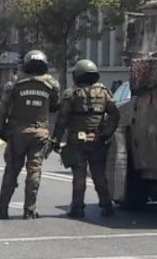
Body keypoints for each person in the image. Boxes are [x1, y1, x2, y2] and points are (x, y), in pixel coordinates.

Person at [0, 50, 60, 220]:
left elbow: (1, 109)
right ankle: (29, 209)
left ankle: (2, 209)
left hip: (18, 133)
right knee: (34, 170)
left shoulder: (15, 82)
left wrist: (2, 129)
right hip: (40, 133)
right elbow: (54, 106)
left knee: (11, 171)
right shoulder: (52, 84)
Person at [53, 59, 120, 218]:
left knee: (79, 175)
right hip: (97, 140)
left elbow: (62, 120)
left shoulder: (71, 94)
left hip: (77, 141)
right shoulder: (103, 93)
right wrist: (106, 134)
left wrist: (56, 139)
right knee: (99, 175)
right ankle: (106, 205)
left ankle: (77, 208)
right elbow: (115, 115)